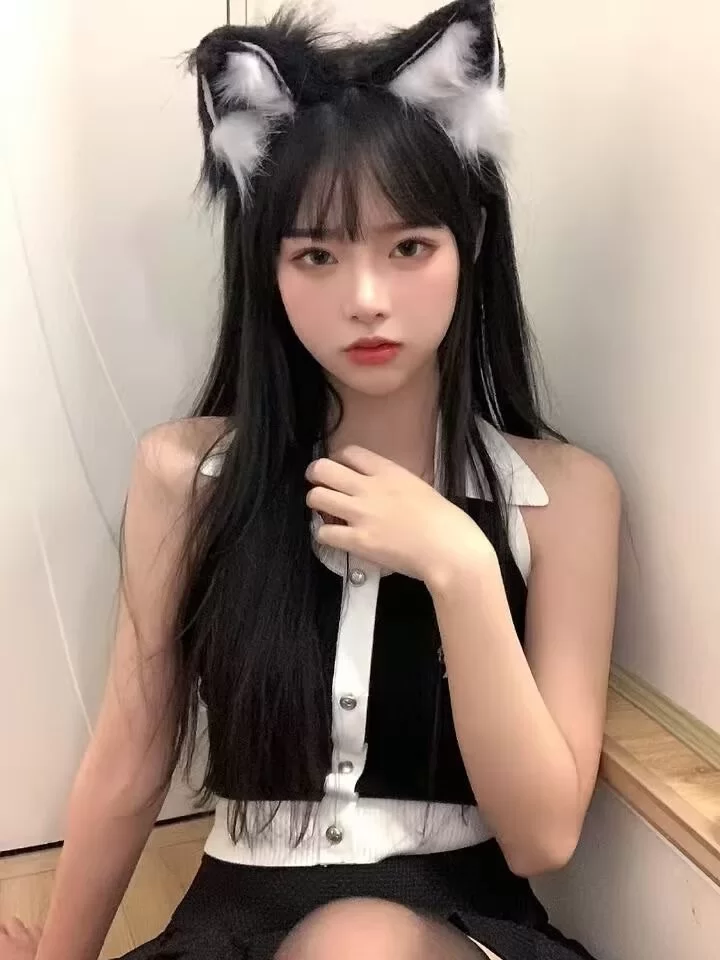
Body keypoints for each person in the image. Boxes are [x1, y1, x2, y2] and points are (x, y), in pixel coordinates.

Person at [0, 2, 622, 958]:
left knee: (355, 946)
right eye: (317, 255)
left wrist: (459, 564)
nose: (365, 299)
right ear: (270, 266)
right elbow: (128, 760)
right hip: (228, 924)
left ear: (470, 242)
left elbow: (543, 836)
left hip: (452, 928)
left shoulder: (563, 496)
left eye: (408, 248)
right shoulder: (188, 476)